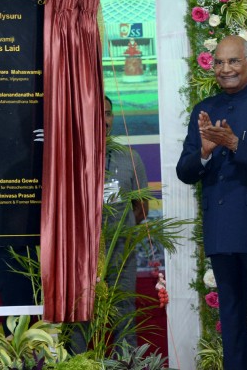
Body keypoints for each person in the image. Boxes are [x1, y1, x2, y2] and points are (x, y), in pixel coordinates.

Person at [176, 35, 247, 370]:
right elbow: (185, 172)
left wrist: (235, 144)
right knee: (231, 320)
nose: (226, 69)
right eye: (219, 62)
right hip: (223, 233)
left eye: (233, 61)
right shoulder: (204, 110)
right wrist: (203, 152)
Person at [69, 95, 149, 353]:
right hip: (81, 255)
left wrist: (118, 232)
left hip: (121, 253)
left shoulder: (130, 158)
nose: (104, 120)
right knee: (80, 314)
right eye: (98, 113)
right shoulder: (71, 157)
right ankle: (76, 364)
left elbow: (142, 207)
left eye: (108, 113)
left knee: (124, 312)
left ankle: (126, 363)